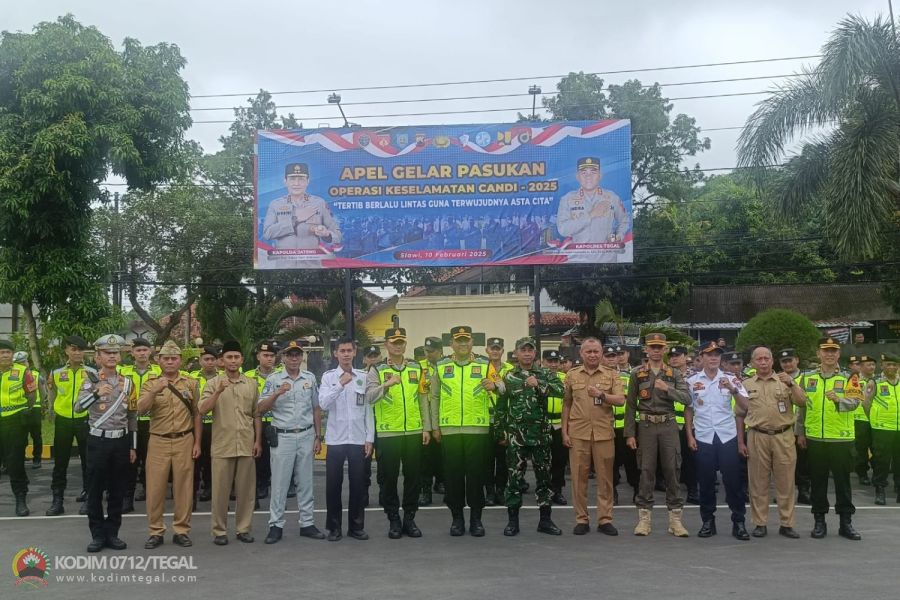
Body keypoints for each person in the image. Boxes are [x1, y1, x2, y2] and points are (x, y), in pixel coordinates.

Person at [494, 337, 566, 536]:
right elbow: (501, 406)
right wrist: (500, 432)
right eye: (522, 350)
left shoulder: (545, 374)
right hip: (516, 437)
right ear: (516, 353)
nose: (527, 353)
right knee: (514, 479)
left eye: (530, 350)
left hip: (541, 436)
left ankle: (545, 520)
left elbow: (562, 391)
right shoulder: (509, 377)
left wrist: (539, 384)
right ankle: (512, 522)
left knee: (544, 479)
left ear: (535, 353)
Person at [258, 340, 325, 544]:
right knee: (279, 483)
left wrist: (317, 435)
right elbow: (261, 408)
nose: (294, 358)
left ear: (302, 357)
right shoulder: (274, 379)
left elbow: (316, 408)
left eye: (297, 354)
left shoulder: (310, 378)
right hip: (284, 435)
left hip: (305, 434)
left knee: (305, 482)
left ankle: (307, 523)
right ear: (283, 357)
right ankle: (275, 525)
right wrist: (277, 393)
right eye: (290, 355)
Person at [625, 333, 692, 537]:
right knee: (646, 471)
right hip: (645, 426)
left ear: (664, 350)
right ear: (646, 349)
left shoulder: (674, 374)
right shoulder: (637, 373)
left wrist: (668, 389)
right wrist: (630, 434)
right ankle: (644, 520)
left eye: (659, 347)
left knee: (672, 470)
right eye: (652, 347)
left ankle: (675, 521)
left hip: (668, 425)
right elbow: (630, 405)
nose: (655, 350)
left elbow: (687, 398)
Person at [736, 346, 806, 539]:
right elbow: (740, 414)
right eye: (759, 359)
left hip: (783, 436)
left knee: (786, 482)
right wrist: (740, 442)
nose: (763, 362)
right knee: (758, 483)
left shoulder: (785, 380)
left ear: (772, 360)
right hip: (757, 436)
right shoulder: (746, 384)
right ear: (752, 363)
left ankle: (787, 524)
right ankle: (760, 523)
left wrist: (792, 384)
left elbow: (801, 402)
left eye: (767, 358)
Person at [366, 328, 430, 539]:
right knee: (388, 479)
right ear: (387, 345)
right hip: (388, 434)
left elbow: (422, 398)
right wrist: (386, 385)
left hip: (413, 431)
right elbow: (369, 398)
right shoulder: (377, 369)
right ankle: (393, 518)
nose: (398, 345)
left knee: (413, 478)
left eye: (401, 342)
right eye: (394, 342)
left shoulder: (415, 367)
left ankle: (409, 518)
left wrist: (426, 427)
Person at [137, 341, 202, 549]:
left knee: (184, 487)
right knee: (155, 488)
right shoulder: (150, 382)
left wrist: (197, 442)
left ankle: (181, 530)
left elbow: (197, 414)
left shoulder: (191, 383)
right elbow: (140, 410)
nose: (170, 362)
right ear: (159, 360)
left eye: (174, 358)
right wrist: (154, 391)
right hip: (158, 440)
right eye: (166, 358)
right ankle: (155, 531)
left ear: (180, 361)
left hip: (185, 439)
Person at [198, 341, 262, 545]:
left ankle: (243, 528)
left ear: (242, 359)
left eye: (236, 357)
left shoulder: (251, 384)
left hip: (245, 443)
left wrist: (258, 440)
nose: (233, 361)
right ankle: (219, 531)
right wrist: (217, 391)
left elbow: (256, 414)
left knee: (246, 491)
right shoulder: (212, 383)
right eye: (229, 357)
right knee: (220, 492)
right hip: (222, 445)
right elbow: (202, 410)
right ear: (221, 361)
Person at [797, 337, 861, 540]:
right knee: (818, 482)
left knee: (843, 483)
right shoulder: (807, 378)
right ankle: (819, 521)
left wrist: (839, 400)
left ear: (839, 354)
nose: (830, 354)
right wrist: (801, 432)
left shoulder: (850, 376)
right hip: (815, 438)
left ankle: (845, 522)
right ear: (818, 354)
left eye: (833, 350)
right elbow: (802, 408)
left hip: (841, 439)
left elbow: (855, 403)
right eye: (826, 350)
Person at [685, 342, 750, 540]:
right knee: (705, 482)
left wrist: (732, 389)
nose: (713, 358)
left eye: (717, 355)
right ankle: (707, 521)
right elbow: (688, 409)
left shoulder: (731, 379)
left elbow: (746, 406)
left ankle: (738, 522)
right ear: (701, 357)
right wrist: (689, 435)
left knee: (733, 482)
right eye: (709, 354)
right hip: (703, 436)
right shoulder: (692, 380)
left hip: (727, 436)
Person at [431, 326, 492, 536]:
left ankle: (476, 519)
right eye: (459, 340)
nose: (463, 344)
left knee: (476, 477)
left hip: (478, 429)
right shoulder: (441, 366)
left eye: (466, 340)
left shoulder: (485, 364)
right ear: (451, 344)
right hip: (450, 430)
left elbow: (502, 388)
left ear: (472, 342)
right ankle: (457, 518)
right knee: (453, 477)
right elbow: (434, 397)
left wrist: (495, 386)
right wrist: (435, 426)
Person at [79, 335, 138, 552]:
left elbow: (132, 415)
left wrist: (132, 446)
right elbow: (78, 408)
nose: (112, 356)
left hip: (121, 442)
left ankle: (112, 533)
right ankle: (97, 535)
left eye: (115, 352)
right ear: (98, 356)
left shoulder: (128, 383)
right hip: (98, 441)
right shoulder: (90, 381)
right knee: (94, 490)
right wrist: (96, 394)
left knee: (117, 490)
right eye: (107, 352)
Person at [561, 339, 624, 535]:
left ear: (601, 353)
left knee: (605, 478)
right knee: (579, 478)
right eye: (588, 351)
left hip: (603, 433)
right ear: (581, 353)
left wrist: (602, 395)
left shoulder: (612, 375)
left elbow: (621, 400)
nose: (592, 355)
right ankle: (581, 519)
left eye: (596, 351)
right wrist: (564, 431)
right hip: (578, 433)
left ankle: (605, 519)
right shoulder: (572, 375)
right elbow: (567, 404)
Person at [318, 338, 374, 541]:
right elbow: (323, 404)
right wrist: (340, 385)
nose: (346, 354)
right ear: (335, 353)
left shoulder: (364, 376)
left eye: (349, 350)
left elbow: (368, 409)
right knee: (334, 485)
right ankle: (334, 527)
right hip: (336, 439)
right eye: (342, 350)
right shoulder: (329, 377)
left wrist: (370, 438)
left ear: (355, 352)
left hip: (358, 438)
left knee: (358, 484)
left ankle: (356, 527)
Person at [47, 335, 96, 516]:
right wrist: (52, 412)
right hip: (63, 421)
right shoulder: (56, 372)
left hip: (86, 420)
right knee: (60, 462)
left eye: (80, 349)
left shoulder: (93, 372)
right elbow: (51, 395)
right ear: (66, 350)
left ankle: (89, 496)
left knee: (87, 461)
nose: (77, 353)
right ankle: (57, 500)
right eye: (73, 349)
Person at [555, 157, 629, 262]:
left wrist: (619, 236)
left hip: (607, 260)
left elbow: (624, 220)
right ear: (577, 176)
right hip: (577, 260)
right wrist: (591, 215)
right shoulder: (567, 199)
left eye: (593, 172)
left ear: (600, 175)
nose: (588, 176)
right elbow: (563, 229)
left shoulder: (612, 197)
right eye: (584, 173)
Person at [118, 338, 161, 513]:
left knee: (151, 460)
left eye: (145, 349)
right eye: (138, 350)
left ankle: (149, 492)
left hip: (153, 422)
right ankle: (128, 497)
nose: (142, 353)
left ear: (150, 352)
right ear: (132, 353)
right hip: (130, 422)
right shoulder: (123, 371)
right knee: (131, 461)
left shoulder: (159, 371)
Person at [262, 162, 342, 250]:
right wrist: (295, 219)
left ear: (308, 181)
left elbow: (337, 236)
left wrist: (326, 234)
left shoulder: (319, 203)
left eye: (301, 179)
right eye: (292, 179)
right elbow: (267, 234)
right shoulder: (276, 204)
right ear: (285, 181)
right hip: (284, 262)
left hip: (312, 261)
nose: (296, 183)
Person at [0, 339, 37, 516]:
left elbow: (31, 394)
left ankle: (21, 499)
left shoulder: (22, 371)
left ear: (12, 354)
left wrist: (24, 412)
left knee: (15, 463)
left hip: (15, 422)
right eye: (1, 352)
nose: (4, 355)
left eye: (7, 352)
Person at [245, 340, 280, 502]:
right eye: (265, 355)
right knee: (258, 455)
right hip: (256, 422)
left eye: (272, 355)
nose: (269, 359)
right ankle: (261, 484)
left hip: (277, 421)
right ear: (258, 356)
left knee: (278, 457)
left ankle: (280, 486)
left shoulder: (281, 374)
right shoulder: (248, 377)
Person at [863, 353, 900, 505]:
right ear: (882, 366)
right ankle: (880, 490)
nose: (891, 367)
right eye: (888, 364)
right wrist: (874, 419)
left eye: (894, 365)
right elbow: (866, 403)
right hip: (881, 429)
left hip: (899, 429)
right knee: (881, 461)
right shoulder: (875, 382)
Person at [777, 348, 811, 505]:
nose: (787, 364)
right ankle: (785, 492)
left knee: (803, 462)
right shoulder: (776, 379)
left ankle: (804, 491)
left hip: (800, 427)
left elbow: (805, 405)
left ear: (797, 360)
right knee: (783, 463)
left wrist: (802, 432)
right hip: (783, 427)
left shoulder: (806, 378)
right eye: (784, 361)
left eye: (790, 360)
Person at [484, 337, 514, 506]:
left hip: (504, 419)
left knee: (503, 459)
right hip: (485, 418)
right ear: (486, 350)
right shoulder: (481, 368)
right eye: (492, 348)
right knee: (487, 459)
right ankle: (489, 492)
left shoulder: (510, 369)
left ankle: (500, 490)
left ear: (503, 351)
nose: (495, 351)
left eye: (498, 348)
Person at [189, 346, 220, 502]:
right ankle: (193, 492)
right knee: (197, 459)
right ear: (200, 361)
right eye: (206, 359)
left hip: (217, 425)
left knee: (214, 459)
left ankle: (210, 489)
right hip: (198, 424)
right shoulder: (191, 377)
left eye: (212, 359)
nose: (209, 362)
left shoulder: (223, 377)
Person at [668, 345, 698, 504]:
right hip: (670, 423)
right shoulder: (665, 376)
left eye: (678, 355)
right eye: (671, 356)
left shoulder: (695, 377)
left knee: (690, 459)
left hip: (689, 424)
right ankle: (673, 492)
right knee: (671, 460)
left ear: (686, 357)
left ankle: (692, 490)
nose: (674, 358)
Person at [418, 336, 445, 506]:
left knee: (444, 457)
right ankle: (425, 490)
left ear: (441, 351)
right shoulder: (419, 367)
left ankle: (442, 482)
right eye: (426, 351)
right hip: (426, 418)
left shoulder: (447, 367)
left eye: (432, 351)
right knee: (425, 458)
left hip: (446, 418)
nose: (428, 354)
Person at [613, 345, 639, 505]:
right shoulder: (608, 374)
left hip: (631, 424)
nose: (620, 357)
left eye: (622, 354)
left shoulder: (637, 373)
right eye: (616, 355)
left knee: (633, 461)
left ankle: (637, 490)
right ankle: (613, 491)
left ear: (628, 354)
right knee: (612, 461)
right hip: (612, 424)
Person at [542, 349, 568, 505]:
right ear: (543, 362)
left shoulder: (565, 378)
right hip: (542, 423)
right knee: (542, 460)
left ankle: (557, 490)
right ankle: (543, 489)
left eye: (555, 361)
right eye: (549, 361)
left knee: (559, 459)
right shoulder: (537, 377)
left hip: (559, 423)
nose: (552, 364)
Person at [12, 351, 43, 470]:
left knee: (36, 435)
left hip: (34, 409)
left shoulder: (36, 375)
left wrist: (41, 404)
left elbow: (43, 391)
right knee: (21, 435)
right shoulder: (15, 375)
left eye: (23, 362)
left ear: (27, 362)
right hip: (21, 409)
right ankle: (22, 456)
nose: (22, 365)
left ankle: (37, 459)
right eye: (19, 363)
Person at [853, 355, 877, 486]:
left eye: (873, 365)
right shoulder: (854, 380)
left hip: (875, 420)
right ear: (861, 367)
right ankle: (862, 474)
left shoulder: (878, 381)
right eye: (868, 365)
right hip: (859, 420)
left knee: (876, 448)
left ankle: (877, 473)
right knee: (861, 449)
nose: (872, 367)